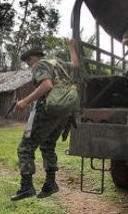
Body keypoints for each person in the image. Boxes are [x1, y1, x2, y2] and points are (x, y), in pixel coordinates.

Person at [10, 38, 79, 201]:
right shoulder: (59, 62)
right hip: (65, 111)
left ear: (33, 58)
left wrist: (24, 101)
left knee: (25, 148)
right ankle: (50, 184)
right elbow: (76, 64)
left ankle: (26, 187)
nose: (29, 65)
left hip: (48, 110)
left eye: (28, 62)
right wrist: (71, 46)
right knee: (48, 144)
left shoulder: (40, 65)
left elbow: (47, 85)